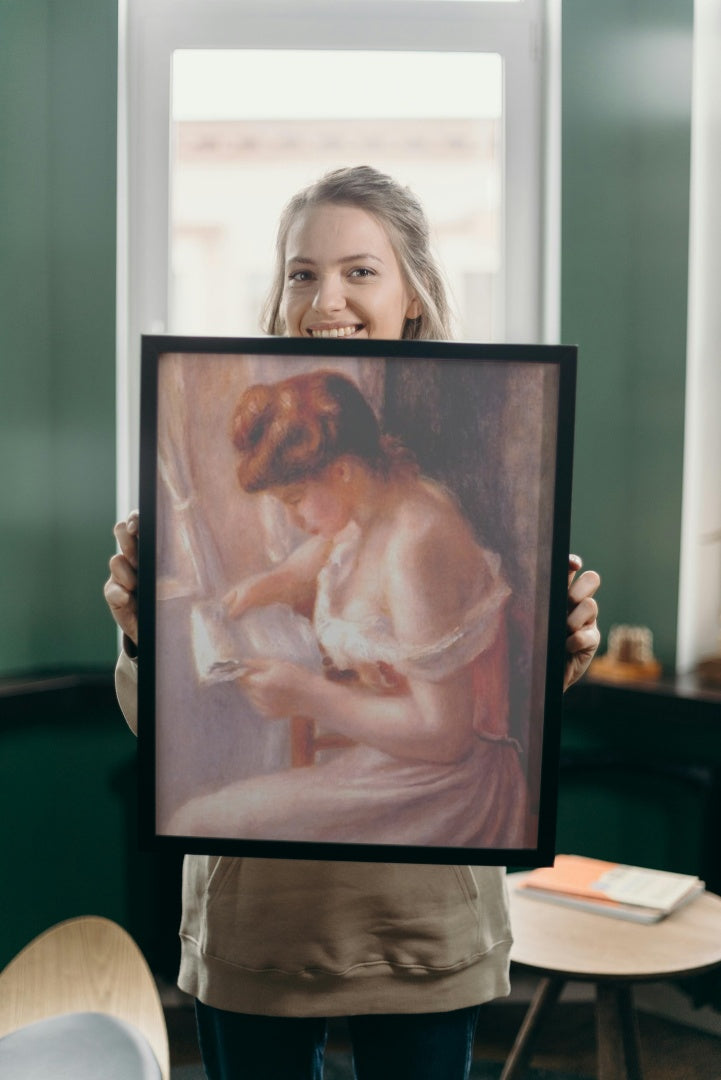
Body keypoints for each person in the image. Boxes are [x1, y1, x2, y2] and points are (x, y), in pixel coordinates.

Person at [105, 165, 601, 1080]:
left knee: (229, 804)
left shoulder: (416, 530)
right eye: (300, 272)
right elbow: (306, 569)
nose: (323, 297)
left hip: (416, 890)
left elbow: (452, 723)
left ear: (412, 292)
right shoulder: (356, 502)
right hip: (261, 920)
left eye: (359, 271)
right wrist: (168, 624)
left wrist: (552, 655)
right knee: (216, 808)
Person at [166, 368, 530, 849]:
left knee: (197, 824)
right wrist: (268, 585)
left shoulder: (414, 544)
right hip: (393, 759)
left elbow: (446, 736)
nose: (292, 519)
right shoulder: (369, 506)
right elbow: (318, 557)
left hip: (448, 789)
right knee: (199, 822)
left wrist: (307, 696)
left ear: (341, 470)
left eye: (294, 500)